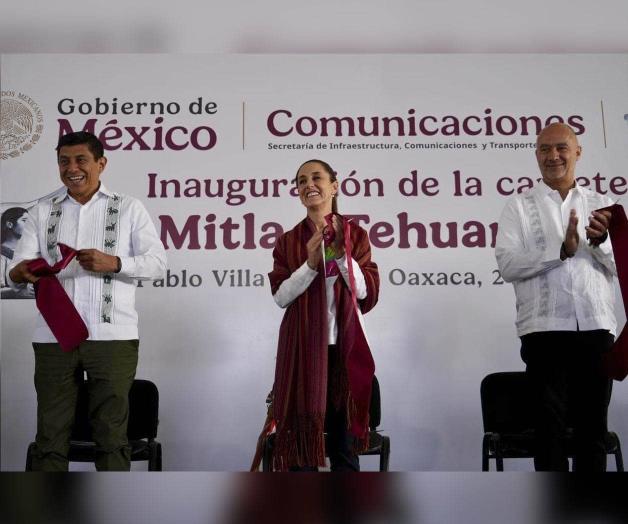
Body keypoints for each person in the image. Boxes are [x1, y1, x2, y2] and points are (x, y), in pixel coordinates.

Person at [8, 131, 166, 471]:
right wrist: (22, 272)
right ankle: (49, 513)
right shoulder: (41, 211)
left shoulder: (128, 207)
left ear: (101, 163)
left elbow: (158, 265)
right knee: (50, 436)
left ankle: (113, 512)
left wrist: (116, 263)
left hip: (112, 337)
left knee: (111, 437)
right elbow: (15, 269)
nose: (72, 168)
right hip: (54, 337)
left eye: (81, 160)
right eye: (64, 161)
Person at [495, 122, 616, 471]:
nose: (553, 156)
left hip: (595, 329)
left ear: (577, 152)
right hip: (543, 331)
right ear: (536, 155)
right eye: (545, 149)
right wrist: (560, 249)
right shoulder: (517, 206)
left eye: (561, 147)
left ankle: (591, 512)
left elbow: (622, 266)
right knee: (548, 432)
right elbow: (507, 264)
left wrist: (600, 242)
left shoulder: (604, 204)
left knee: (593, 431)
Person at [268, 159, 379, 471]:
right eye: (302, 181)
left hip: (345, 351)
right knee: (303, 449)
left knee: (344, 449)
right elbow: (280, 296)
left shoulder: (355, 236)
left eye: (316, 177)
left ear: (335, 185)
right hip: (303, 352)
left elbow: (366, 292)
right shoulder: (289, 241)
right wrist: (311, 263)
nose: (308, 185)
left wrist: (339, 252)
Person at [1, 207, 34, 298]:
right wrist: (22, 291)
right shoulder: (2, 255)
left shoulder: (31, 250)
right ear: (9, 224)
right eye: (24, 220)